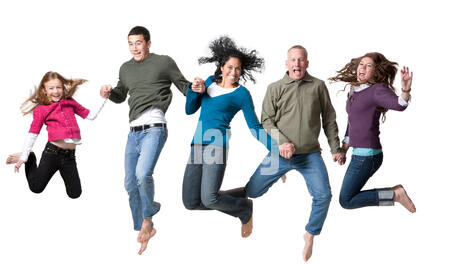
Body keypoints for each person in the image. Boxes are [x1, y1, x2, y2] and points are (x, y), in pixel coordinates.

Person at [99, 26, 204, 255]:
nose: (134, 47)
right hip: (133, 131)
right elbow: (120, 94)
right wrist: (109, 92)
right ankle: (146, 224)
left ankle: (148, 217)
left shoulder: (163, 62)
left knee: (142, 174)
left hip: (155, 127)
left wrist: (196, 88)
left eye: (138, 42)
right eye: (130, 43)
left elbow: (184, 86)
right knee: (129, 183)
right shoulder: (125, 68)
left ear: (148, 43)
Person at [244, 45, 343, 262]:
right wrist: (281, 142)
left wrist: (335, 148)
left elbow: (329, 119)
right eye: (293, 60)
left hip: (310, 156)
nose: (297, 64)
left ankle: (310, 233)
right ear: (286, 64)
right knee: (252, 191)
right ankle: (280, 172)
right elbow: (266, 121)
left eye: (301, 60)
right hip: (279, 154)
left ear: (307, 63)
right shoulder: (275, 88)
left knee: (324, 196)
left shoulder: (318, 86)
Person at [182, 36, 276, 238]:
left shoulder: (242, 94)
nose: (234, 72)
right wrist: (193, 90)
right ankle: (240, 196)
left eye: (238, 69)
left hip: (217, 144)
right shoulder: (208, 82)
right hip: (197, 144)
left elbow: (255, 127)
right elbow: (189, 110)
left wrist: (276, 148)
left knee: (209, 199)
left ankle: (244, 210)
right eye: (230, 67)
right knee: (191, 202)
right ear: (222, 67)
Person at [328, 52, 416, 213]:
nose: (363, 67)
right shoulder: (354, 90)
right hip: (359, 154)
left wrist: (406, 89)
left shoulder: (377, 90)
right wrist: (344, 149)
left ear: (375, 72)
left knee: (346, 200)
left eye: (369, 66)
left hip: (368, 156)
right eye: (361, 64)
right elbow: (352, 122)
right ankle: (394, 194)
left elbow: (400, 104)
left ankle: (394, 195)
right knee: (346, 199)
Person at [6, 71, 100, 198]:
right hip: (52, 154)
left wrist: (104, 97)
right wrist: (25, 155)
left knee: (75, 193)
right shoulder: (41, 109)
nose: (55, 91)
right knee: (36, 188)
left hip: (69, 157)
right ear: (44, 90)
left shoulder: (69, 101)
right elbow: (33, 134)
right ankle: (31, 158)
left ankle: (32, 157)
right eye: (51, 88)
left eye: (58, 87)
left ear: (63, 88)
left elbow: (91, 115)